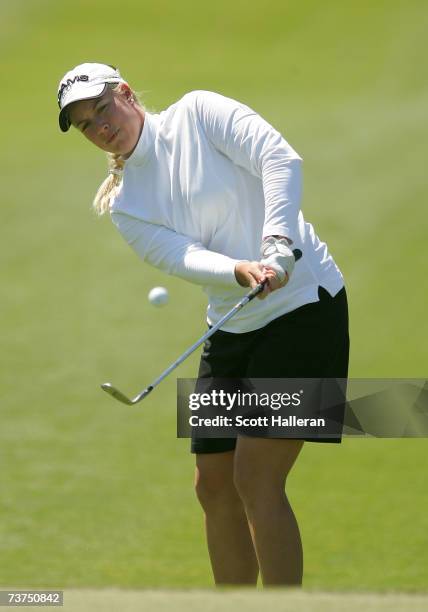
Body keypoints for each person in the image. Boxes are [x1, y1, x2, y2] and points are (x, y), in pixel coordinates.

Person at [57, 62, 350, 587]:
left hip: (305, 308)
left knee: (256, 479)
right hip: (232, 326)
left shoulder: (198, 112)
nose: (101, 127)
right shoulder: (126, 204)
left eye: (103, 109)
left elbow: (278, 157)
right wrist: (238, 270)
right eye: (86, 125)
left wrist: (278, 244)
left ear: (125, 93)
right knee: (212, 486)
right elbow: (180, 255)